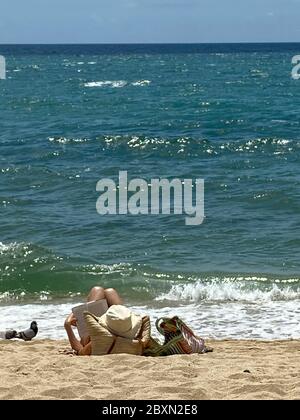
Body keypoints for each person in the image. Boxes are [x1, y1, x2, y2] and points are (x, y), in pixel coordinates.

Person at [64, 286, 122, 355]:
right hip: (121, 329)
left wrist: (67, 326)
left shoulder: (99, 338)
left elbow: (81, 352)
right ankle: (78, 312)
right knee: (108, 291)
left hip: (113, 330)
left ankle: (78, 312)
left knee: (100, 290)